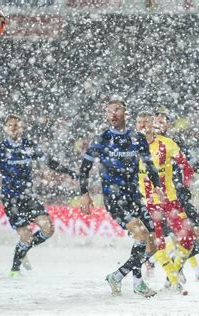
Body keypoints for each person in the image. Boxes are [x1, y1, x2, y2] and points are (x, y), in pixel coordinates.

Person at [79, 100, 164, 298]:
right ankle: (138, 283)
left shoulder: (137, 138)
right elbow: (85, 168)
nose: (113, 114)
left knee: (153, 244)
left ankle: (118, 276)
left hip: (135, 196)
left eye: (117, 109)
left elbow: (150, 165)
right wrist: (84, 193)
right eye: (109, 111)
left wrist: (157, 185)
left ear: (125, 112)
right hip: (114, 198)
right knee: (141, 235)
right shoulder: (102, 139)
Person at [0, 114, 77, 277]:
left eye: (17, 125)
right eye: (10, 125)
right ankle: (14, 270)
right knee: (26, 236)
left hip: (28, 197)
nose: (14, 128)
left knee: (48, 228)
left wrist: (68, 171)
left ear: (22, 128)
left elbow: (49, 162)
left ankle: (24, 251)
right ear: (6, 128)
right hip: (11, 199)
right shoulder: (0, 149)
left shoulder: (29, 146)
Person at [153, 108, 199, 282]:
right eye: (156, 122)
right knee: (168, 240)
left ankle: (176, 265)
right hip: (165, 202)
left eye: (162, 122)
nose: (158, 125)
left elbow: (192, 167)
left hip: (183, 200)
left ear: (168, 125)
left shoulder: (176, 145)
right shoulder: (146, 145)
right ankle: (169, 272)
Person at [135, 111, 194, 295]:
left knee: (188, 239)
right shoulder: (130, 148)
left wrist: (185, 183)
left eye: (147, 123)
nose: (144, 126)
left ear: (154, 125)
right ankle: (174, 281)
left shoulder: (167, 144)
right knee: (157, 243)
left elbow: (186, 166)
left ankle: (172, 274)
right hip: (148, 204)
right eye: (140, 123)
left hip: (170, 201)